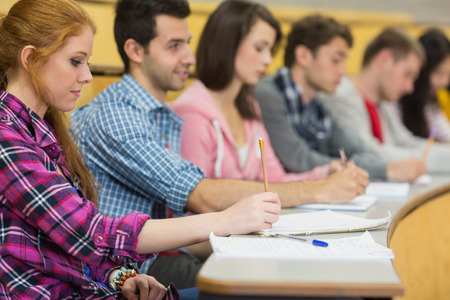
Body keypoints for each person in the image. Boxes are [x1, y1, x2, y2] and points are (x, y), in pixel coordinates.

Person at [70, 0, 369, 289]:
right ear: (135, 50)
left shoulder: (162, 116)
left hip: (159, 257)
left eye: (187, 43)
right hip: (128, 273)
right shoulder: (117, 116)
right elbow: (203, 197)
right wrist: (323, 189)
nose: (190, 57)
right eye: (175, 46)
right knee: (273, 281)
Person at [0, 0, 282, 299]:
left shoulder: (46, 131)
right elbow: (91, 232)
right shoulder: (6, 136)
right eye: (75, 61)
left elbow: (66, 246)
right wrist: (225, 220)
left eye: (88, 62)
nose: (87, 76)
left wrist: (121, 276)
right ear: (30, 59)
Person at [172, 2, 347, 182]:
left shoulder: (248, 106)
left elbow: (273, 179)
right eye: (259, 48)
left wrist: (324, 174)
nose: (268, 59)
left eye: (270, 50)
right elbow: (194, 200)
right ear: (228, 43)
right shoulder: (192, 111)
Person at [255, 15, 427, 182]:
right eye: (335, 60)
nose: (343, 71)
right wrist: (385, 170)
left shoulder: (319, 106)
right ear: (303, 56)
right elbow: (298, 160)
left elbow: (360, 150)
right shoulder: (268, 95)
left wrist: (355, 165)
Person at [324, 26, 450, 173]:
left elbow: (406, 142)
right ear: (385, 60)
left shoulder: (383, 104)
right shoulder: (342, 98)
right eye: (407, 74)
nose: (410, 87)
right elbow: (371, 153)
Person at [399, 28, 450, 142]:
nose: (445, 82)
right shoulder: (396, 100)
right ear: (422, 70)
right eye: (440, 73)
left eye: (448, 74)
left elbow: (445, 133)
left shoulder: (430, 103)